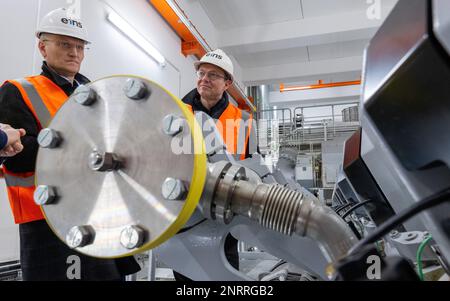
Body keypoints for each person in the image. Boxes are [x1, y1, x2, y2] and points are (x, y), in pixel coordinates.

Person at [0, 7, 140, 281]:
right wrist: (87, 154)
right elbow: (19, 155)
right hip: (47, 220)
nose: (74, 53)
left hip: (103, 213)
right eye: (64, 44)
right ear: (43, 47)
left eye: (80, 46)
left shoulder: (95, 94)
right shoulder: (19, 91)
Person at [173, 49, 257, 280]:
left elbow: (251, 166)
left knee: (226, 270)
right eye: (201, 73)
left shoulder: (244, 120)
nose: (204, 79)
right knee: (186, 271)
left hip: (226, 208)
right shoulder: (177, 113)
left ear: (227, 83)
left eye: (213, 75)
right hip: (185, 208)